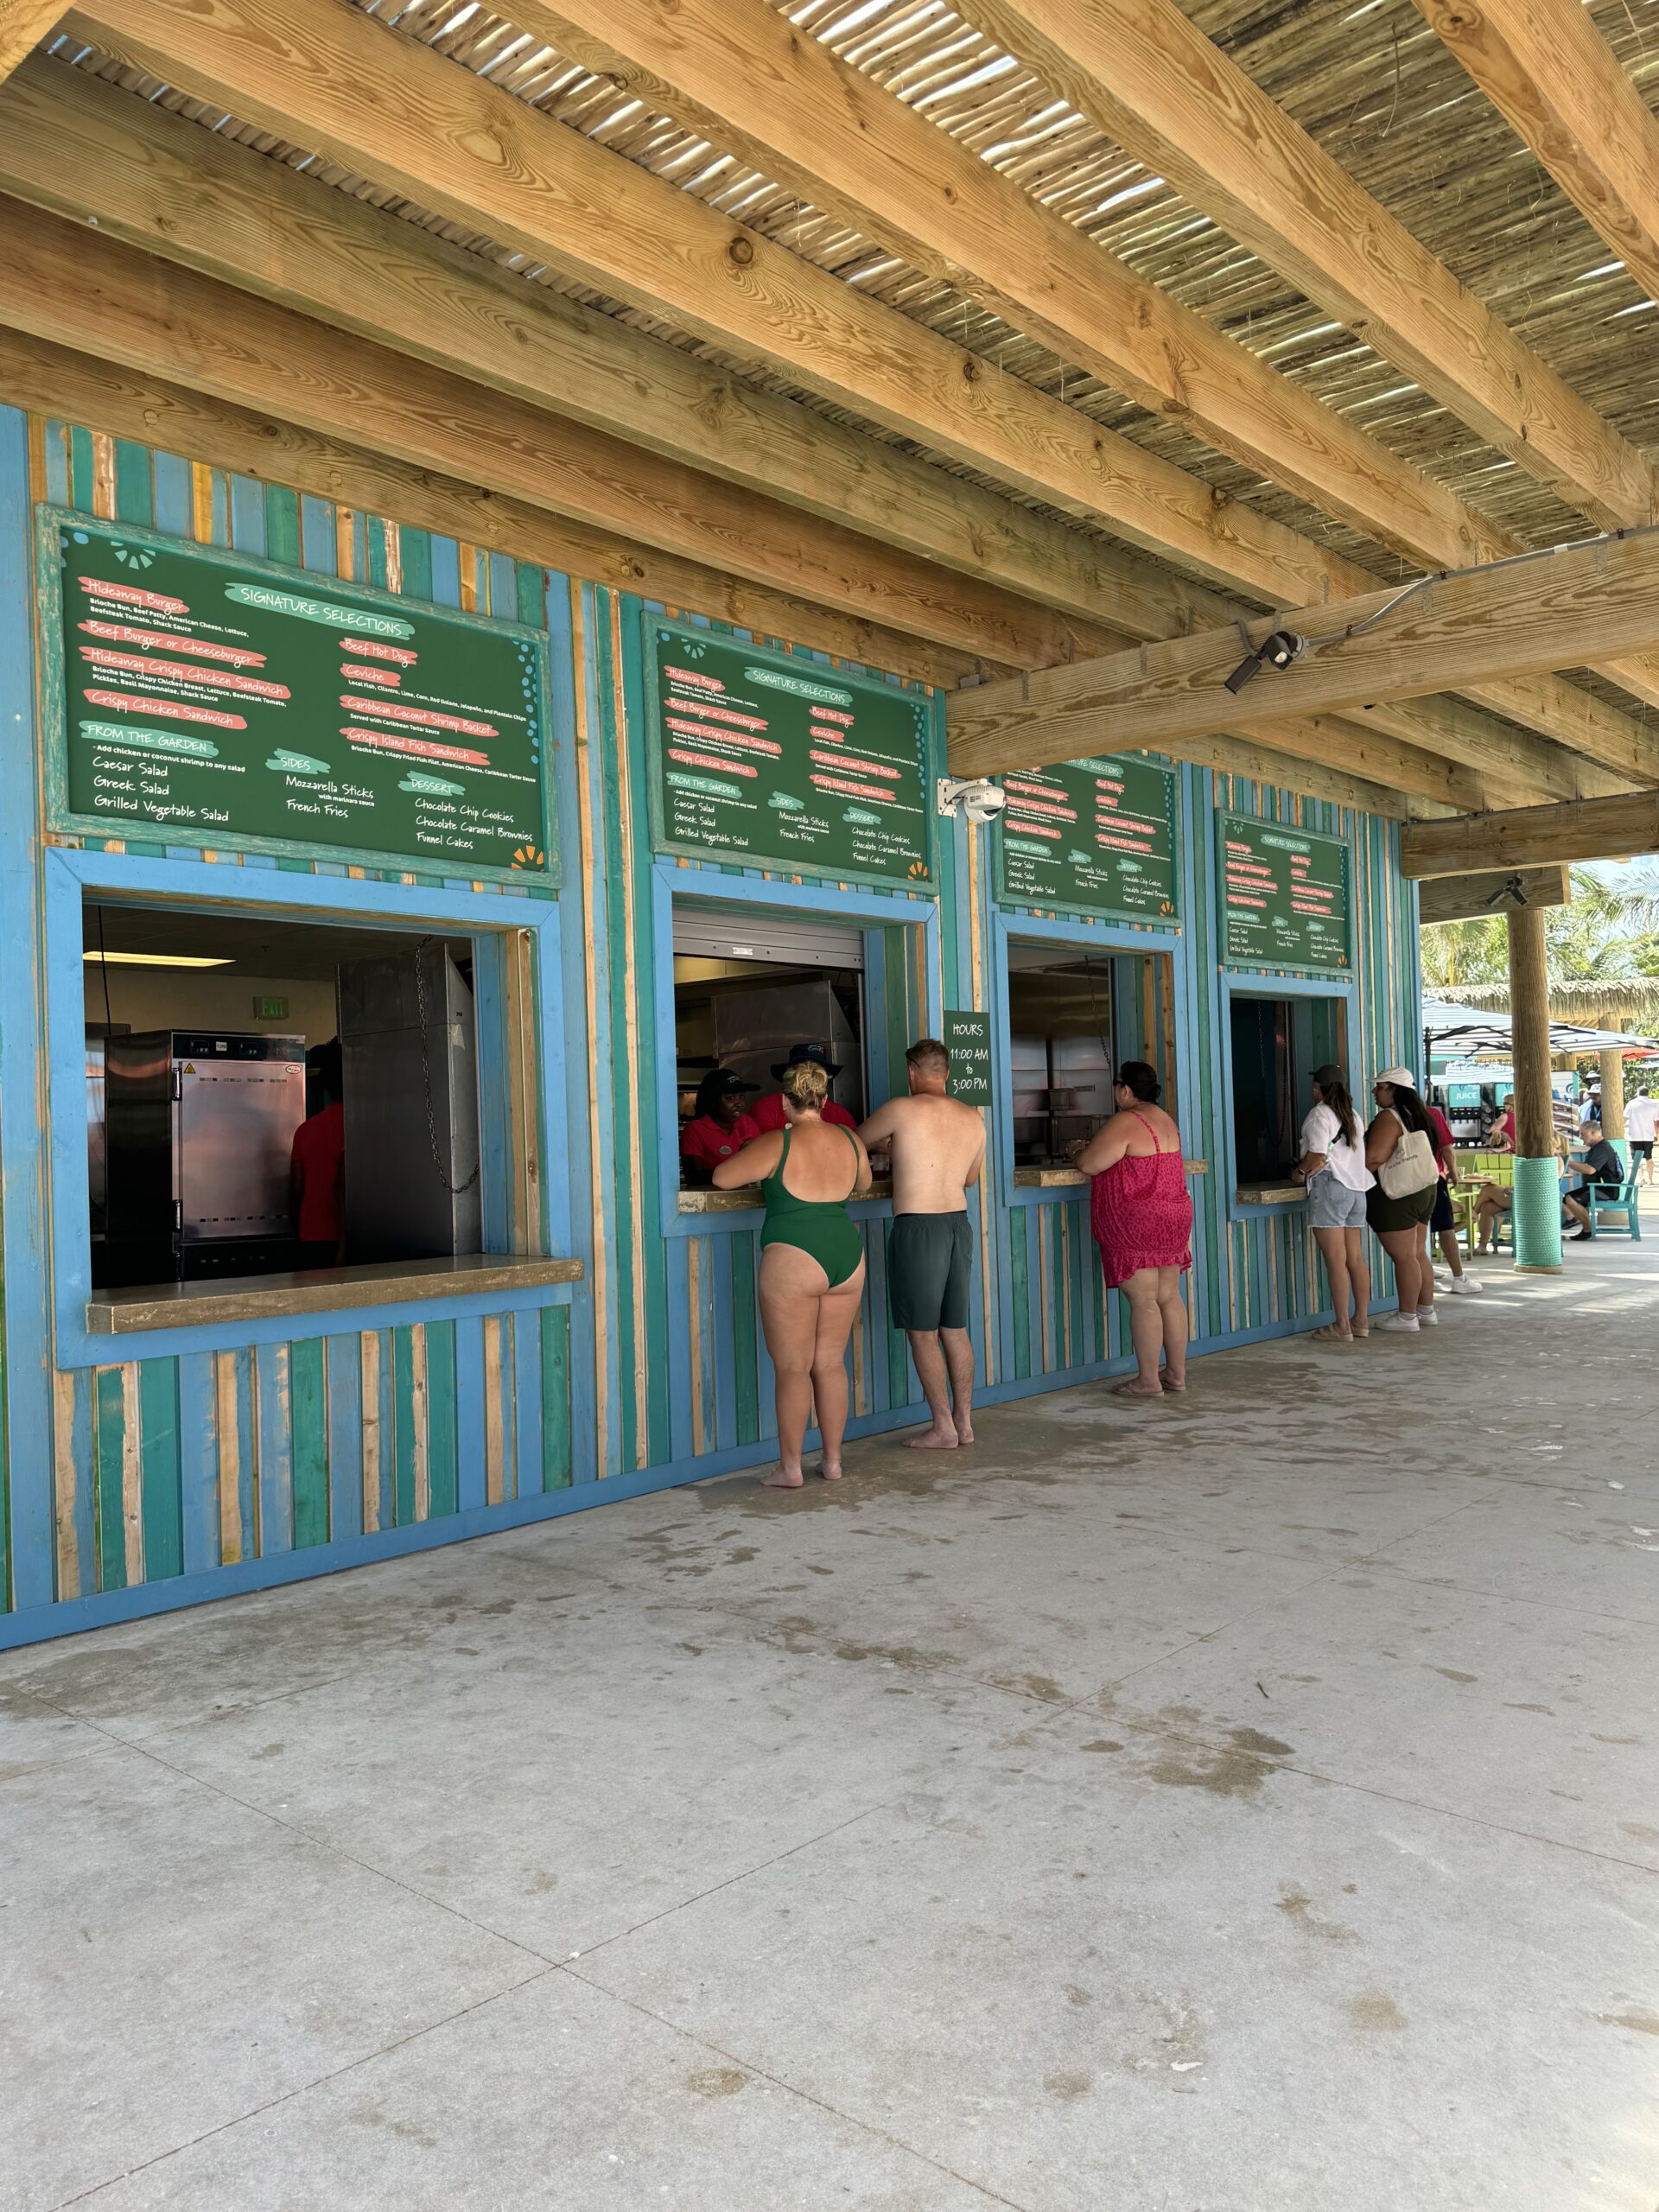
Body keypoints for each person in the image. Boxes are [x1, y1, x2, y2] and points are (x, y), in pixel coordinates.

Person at [713, 1056, 871, 1487]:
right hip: (846, 1254)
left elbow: (723, 1177)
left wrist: (757, 1156)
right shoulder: (848, 1138)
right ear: (823, 1099)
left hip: (794, 1256)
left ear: (785, 1101)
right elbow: (864, 1184)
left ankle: (789, 1468)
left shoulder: (775, 1143)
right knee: (830, 1363)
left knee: (793, 1367)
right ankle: (834, 1462)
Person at [858, 1038, 985, 1449]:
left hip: (918, 1227)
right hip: (957, 1224)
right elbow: (969, 1178)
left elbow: (852, 1142)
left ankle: (942, 1427)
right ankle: (964, 1424)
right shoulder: (973, 1117)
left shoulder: (901, 1109)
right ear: (945, 1074)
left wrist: (887, 1144)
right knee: (955, 1328)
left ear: (911, 1072)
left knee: (922, 1332)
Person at [1077, 1060, 1193, 1399]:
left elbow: (1088, 1164)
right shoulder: (1164, 1118)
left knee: (1143, 1300)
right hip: (1173, 1213)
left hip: (1138, 1220)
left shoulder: (1127, 1121)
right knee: (1169, 1296)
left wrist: (1078, 1151)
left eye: (1116, 1087)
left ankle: (1147, 1380)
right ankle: (1175, 1373)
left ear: (1125, 1090)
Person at [1291, 1062, 1372, 1344]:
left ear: (1317, 1088)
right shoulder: (1353, 1115)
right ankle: (1360, 1320)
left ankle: (1341, 1326)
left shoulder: (1319, 1116)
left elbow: (1316, 1157)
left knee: (1336, 1261)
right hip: (1357, 1191)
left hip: (1331, 1188)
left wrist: (1299, 1172)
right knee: (1355, 1259)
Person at [1364, 1066, 1440, 1332]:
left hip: (1397, 1195)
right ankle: (1425, 1310)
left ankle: (1407, 1317)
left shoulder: (1389, 1117)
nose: (1375, 1091)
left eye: (1381, 1086)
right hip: (1424, 1189)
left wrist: (1350, 1177)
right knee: (1418, 1253)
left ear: (1394, 1089)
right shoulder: (1419, 1115)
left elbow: (1374, 1157)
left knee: (1404, 1257)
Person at [290, 1038, 345, 1268]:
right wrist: (344, 1245)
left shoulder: (305, 1130)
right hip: (343, 1236)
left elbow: (296, 1189)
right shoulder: (358, 1128)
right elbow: (343, 1190)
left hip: (310, 1235)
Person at [1424, 1092, 1478, 1299]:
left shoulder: (1392, 1116)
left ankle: (1425, 1272)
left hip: (1406, 1181)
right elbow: (1446, 1147)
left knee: (1418, 1229)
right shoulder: (1431, 1114)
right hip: (1433, 1176)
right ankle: (1459, 1278)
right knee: (1445, 1228)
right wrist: (1453, 1173)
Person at [749, 1042, 859, 1135]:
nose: (809, 1076)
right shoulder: (766, 1109)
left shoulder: (840, 1116)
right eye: (802, 1071)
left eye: (816, 1072)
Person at [679, 1068, 760, 1181]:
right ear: (713, 1101)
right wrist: (737, 1167)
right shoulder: (695, 1129)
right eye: (730, 1098)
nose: (739, 1104)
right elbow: (694, 1177)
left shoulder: (747, 1122)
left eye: (741, 1096)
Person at [1562, 1120, 1624, 1241]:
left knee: (1570, 1199)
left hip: (1607, 1190)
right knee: (1566, 1198)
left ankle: (1588, 1230)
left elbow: (1590, 1170)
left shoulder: (1602, 1149)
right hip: (1599, 1187)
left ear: (1593, 1133)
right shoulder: (1598, 1148)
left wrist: (1568, 1163)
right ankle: (1575, 1220)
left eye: (1583, 1134)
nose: (1581, 1137)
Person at [1624, 1085, 1657, 1187]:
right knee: (1649, 1158)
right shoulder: (1654, 1105)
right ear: (1648, 1093)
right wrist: (1657, 1135)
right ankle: (1650, 1180)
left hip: (1634, 1136)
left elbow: (1624, 1118)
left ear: (1637, 1093)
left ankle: (1641, 1178)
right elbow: (1656, 1122)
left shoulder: (1632, 1104)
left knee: (1636, 1159)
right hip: (1648, 1135)